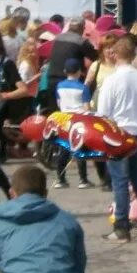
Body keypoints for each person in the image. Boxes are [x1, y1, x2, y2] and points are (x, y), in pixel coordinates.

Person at [95, 37, 137, 243]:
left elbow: (103, 113)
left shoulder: (112, 79)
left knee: (120, 181)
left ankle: (121, 226)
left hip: (118, 132)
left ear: (115, 54)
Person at [52, 58, 94, 190]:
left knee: (64, 149)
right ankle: (83, 179)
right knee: (79, 149)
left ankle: (60, 179)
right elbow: (87, 107)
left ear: (65, 71)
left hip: (64, 119)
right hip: (79, 120)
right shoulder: (83, 88)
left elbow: (59, 104)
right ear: (80, 72)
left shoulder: (59, 86)